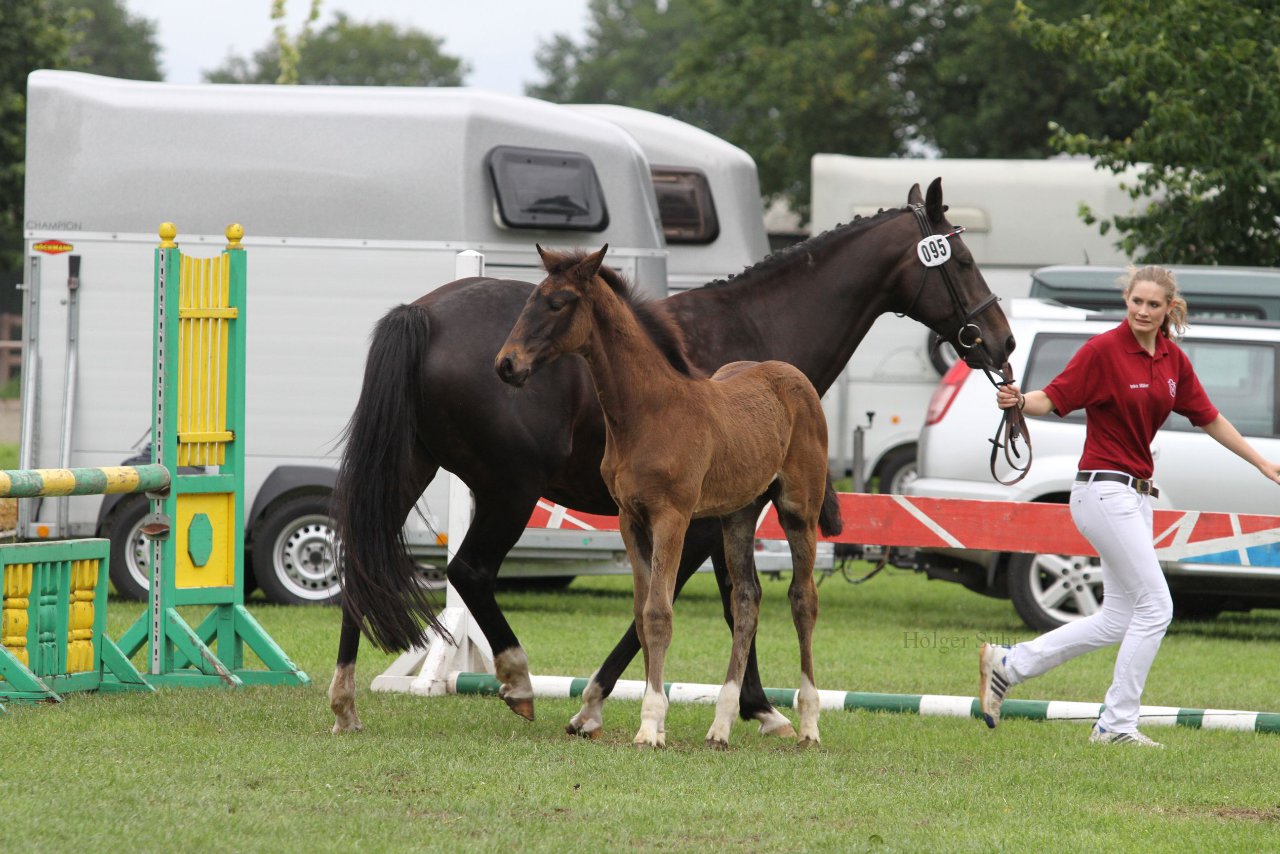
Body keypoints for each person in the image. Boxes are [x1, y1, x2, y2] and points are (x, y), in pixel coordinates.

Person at [978, 265, 1280, 747]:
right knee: (1157, 607)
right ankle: (1116, 725)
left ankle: (1011, 664)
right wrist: (1015, 400)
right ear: (1127, 301)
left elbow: (1209, 417)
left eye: (1153, 305)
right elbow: (1052, 398)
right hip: (1102, 491)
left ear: (1168, 309)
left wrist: (1262, 463)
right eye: (1135, 302)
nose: (1142, 311)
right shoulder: (1102, 351)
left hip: (1137, 497)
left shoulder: (1172, 359)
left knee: (1119, 617)